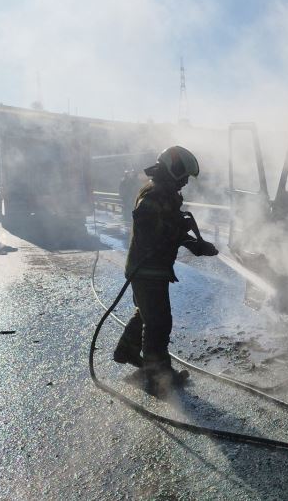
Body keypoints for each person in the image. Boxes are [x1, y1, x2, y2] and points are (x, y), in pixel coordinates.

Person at [113, 146, 218, 394]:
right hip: (147, 269)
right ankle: (158, 377)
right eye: (183, 176)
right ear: (173, 169)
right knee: (159, 322)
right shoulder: (153, 195)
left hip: (149, 268)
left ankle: (127, 350)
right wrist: (183, 233)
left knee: (147, 314)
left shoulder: (165, 193)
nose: (184, 182)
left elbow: (171, 230)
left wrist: (196, 245)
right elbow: (152, 228)